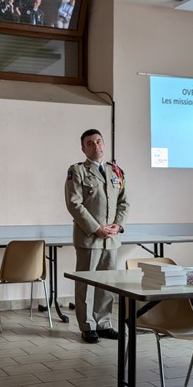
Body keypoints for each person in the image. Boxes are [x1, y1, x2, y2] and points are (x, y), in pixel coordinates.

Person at [64, 129, 129, 343]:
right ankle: (88, 326)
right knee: (87, 284)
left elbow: (123, 203)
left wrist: (117, 226)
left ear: (104, 144)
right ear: (83, 148)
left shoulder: (116, 172)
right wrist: (96, 228)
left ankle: (104, 324)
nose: (96, 146)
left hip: (111, 239)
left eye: (99, 141)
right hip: (89, 238)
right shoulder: (78, 171)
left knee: (107, 284)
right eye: (90, 143)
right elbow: (74, 204)